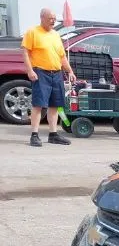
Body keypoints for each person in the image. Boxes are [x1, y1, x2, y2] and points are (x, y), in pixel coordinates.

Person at [21, 8, 76, 147]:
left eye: (54, 18)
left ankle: (53, 135)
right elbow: (25, 52)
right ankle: (34, 135)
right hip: (40, 73)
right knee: (38, 105)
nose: (53, 21)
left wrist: (70, 71)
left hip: (56, 73)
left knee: (55, 105)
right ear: (42, 17)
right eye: (50, 18)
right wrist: (29, 70)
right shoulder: (32, 32)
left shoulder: (56, 35)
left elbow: (62, 56)